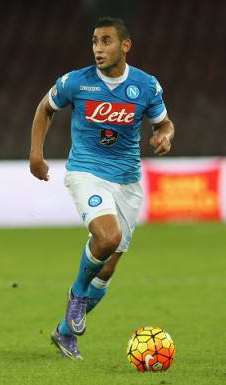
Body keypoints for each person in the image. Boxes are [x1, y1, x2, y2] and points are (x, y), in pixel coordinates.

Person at [29, 17, 175, 359]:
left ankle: (65, 333)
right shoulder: (75, 82)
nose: (98, 48)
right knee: (107, 238)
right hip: (86, 172)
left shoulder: (146, 86)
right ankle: (77, 294)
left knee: (107, 268)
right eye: (95, 41)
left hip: (128, 181)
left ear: (125, 45)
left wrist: (164, 136)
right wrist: (36, 153)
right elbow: (44, 108)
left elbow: (164, 122)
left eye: (106, 41)